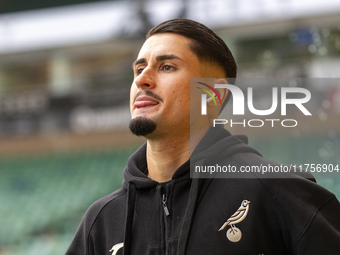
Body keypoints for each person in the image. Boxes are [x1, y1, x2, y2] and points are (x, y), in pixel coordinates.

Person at [66, 19, 340, 255]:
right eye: (139, 70)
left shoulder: (277, 191)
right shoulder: (101, 221)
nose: (142, 80)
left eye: (167, 67)